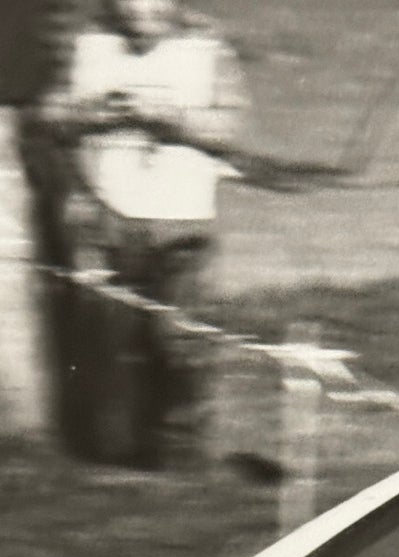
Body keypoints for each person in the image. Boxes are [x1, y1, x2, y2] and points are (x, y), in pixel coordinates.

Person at [32, 0, 247, 465]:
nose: (138, 12)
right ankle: (113, 448)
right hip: (110, 216)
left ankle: (182, 449)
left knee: (179, 338)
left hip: (180, 219)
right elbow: (49, 116)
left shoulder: (205, 44)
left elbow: (229, 128)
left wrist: (172, 118)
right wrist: (95, 112)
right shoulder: (90, 41)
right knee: (111, 336)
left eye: (152, 3)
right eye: (127, 3)